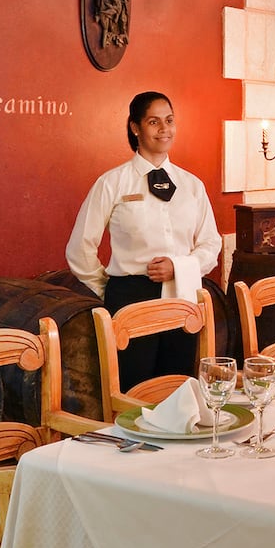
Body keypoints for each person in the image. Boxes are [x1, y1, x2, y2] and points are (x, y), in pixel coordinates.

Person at [66, 91, 222, 390]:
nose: (164, 129)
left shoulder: (192, 185)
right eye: (154, 122)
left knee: (177, 388)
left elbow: (211, 244)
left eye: (169, 120)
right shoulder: (112, 183)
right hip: (131, 299)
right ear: (135, 127)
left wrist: (179, 267)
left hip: (183, 295)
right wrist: (111, 289)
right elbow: (79, 248)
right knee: (134, 389)